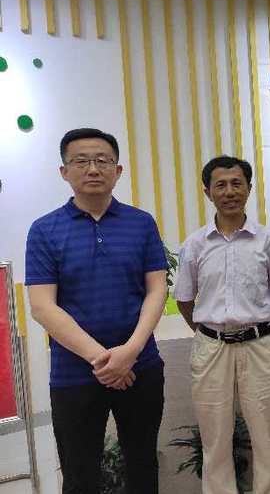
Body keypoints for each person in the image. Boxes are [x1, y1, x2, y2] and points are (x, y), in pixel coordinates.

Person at [25, 128, 168, 493]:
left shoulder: (141, 223)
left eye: (103, 160)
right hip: (74, 373)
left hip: (140, 367)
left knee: (143, 466)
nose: (92, 169)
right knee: (79, 475)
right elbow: (42, 306)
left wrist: (130, 352)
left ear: (117, 171)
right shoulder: (44, 230)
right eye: (81, 161)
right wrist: (104, 360)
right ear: (64, 172)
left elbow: (156, 290)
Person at [173, 155, 270, 494]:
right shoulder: (194, 244)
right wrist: (208, 334)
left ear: (249, 189)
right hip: (211, 348)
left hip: (259, 346)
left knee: (266, 433)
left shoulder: (268, 240)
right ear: (207, 192)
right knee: (215, 436)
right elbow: (184, 299)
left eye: (237, 184)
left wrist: (261, 328)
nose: (229, 192)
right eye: (220, 185)